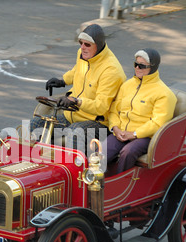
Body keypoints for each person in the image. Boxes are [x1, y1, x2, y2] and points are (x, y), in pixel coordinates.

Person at [30, 24, 126, 154]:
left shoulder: (111, 70)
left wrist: (76, 101)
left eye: (87, 44)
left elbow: (101, 107)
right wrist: (62, 81)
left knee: (76, 132)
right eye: (81, 43)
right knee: (36, 123)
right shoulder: (83, 54)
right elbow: (77, 71)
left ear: (98, 44)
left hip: (98, 123)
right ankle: (31, 163)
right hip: (72, 116)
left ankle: (75, 171)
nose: (82, 47)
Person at [105, 48, 177, 174]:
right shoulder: (127, 85)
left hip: (145, 137)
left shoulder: (164, 94)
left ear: (153, 68)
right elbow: (114, 111)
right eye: (135, 64)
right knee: (100, 152)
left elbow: (158, 123)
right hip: (121, 132)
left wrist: (134, 134)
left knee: (128, 152)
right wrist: (115, 128)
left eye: (142, 66)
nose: (137, 68)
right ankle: (94, 184)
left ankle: (121, 185)